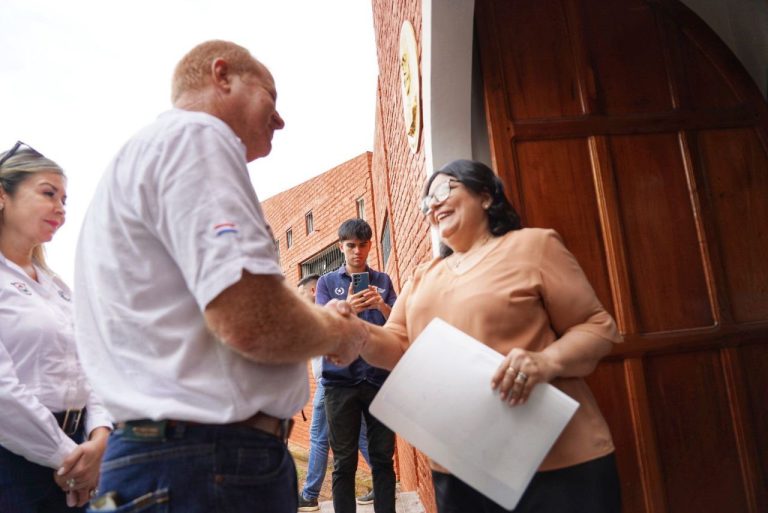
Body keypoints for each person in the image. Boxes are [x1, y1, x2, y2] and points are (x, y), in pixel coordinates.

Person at [74, 40, 367, 513]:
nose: (280, 119)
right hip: (210, 464)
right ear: (222, 75)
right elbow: (252, 319)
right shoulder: (198, 137)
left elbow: (226, 309)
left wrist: (307, 316)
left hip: (179, 459)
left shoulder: (144, 160)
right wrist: (340, 332)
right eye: (270, 98)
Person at [346, 159, 623, 513]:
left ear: (487, 196)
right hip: (459, 464)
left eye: (445, 190)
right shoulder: (423, 276)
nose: (433, 204)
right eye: (426, 200)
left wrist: (545, 361)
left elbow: (597, 326)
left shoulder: (534, 246)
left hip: (557, 460)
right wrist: (354, 332)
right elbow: (397, 345)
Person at [0, 142, 112, 512]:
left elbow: (90, 365)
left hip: (78, 452)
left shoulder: (58, 288)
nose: (61, 208)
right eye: (49, 193)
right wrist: (70, 459)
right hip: (16, 465)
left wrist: (99, 438)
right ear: (3, 196)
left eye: (65, 198)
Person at [315, 219, 398, 513]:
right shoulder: (326, 283)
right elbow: (324, 327)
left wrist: (382, 306)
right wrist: (348, 305)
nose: (357, 252)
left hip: (378, 379)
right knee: (344, 461)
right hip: (340, 382)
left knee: (383, 459)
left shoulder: (383, 281)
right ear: (341, 247)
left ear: (370, 246)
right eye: (351, 245)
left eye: (363, 245)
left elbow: (398, 328)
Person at [296, 274, 373, 512]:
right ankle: (381, 480)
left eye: (300, 293)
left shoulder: (329, 313)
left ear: (311, 291)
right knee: (360, 435)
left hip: (330, 385)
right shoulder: (323, 315)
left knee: (318, 438)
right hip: (343, 384)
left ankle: (310, 495)